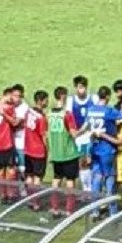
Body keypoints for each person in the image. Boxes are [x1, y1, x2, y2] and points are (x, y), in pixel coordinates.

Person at [47, 86, 85, 217]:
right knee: (70, 181)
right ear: (63, 96)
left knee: (56, 180)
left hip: (56, 153)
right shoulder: (67, 115)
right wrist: (85, 128)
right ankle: (69, 210)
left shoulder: (50, 114)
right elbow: (74, 134)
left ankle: (55, 207)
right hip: (68, 153)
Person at [22, 90, 50, 202]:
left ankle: (29, 200)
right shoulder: (41, 118)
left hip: (27, 149)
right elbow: (44, 136)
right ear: (40, 101)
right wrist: (47, 149)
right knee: (37, 177)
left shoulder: (28, 112)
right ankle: (35, 202)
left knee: (29, 176)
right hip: (38, 151)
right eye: (46, 100)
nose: (47, 102)